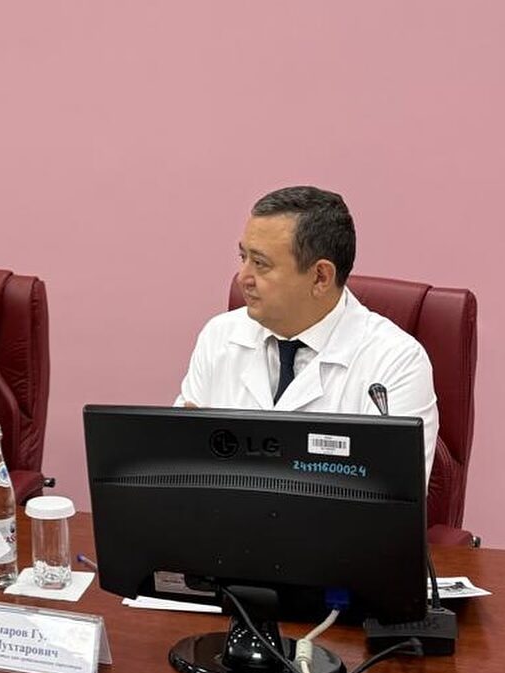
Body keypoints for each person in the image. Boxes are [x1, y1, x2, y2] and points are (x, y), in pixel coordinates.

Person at [176, 185, 438, 483]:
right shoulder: (218, 337)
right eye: (242, 257)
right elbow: (181, 470)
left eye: (260, 264)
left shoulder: (396, 362)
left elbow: (392, 496)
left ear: (320, 277)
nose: (242, 277)